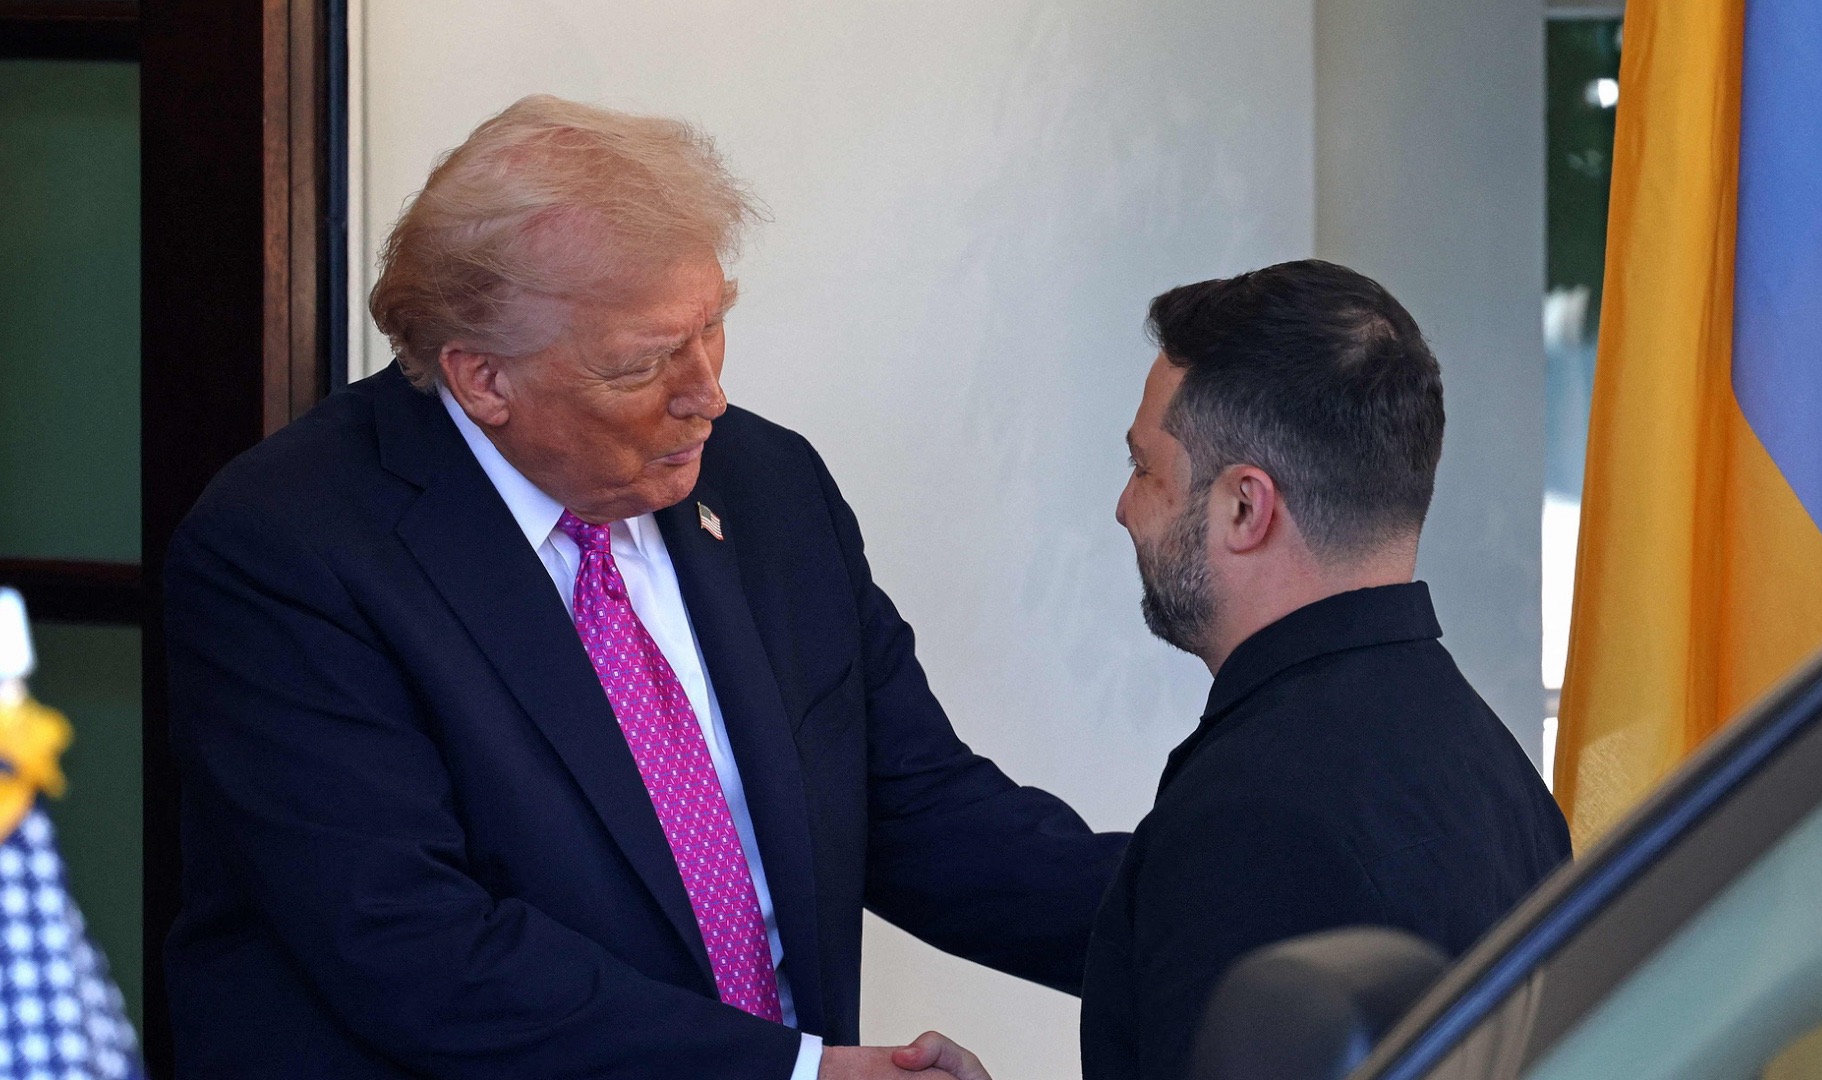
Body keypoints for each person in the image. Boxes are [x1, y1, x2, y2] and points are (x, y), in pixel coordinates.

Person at [163, 95, 1125, 1080]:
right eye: (645, 363)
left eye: (712, 328)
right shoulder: (290, 547)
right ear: (483, 378)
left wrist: (1222, 924)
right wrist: (795, 1075)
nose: (705, 391)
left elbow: (917, 809)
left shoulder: (767, 485)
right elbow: (412, 946)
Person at [1080, 260, 1572, 1080]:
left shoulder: (1247, 818)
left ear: (1245, 506)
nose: (1124, 508)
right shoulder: (1502, 778)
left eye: (1145, 469)